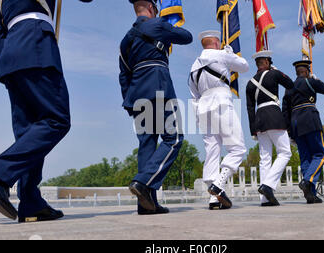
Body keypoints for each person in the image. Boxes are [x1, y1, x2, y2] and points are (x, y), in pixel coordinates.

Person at [0, 0, 93, 223]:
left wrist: (6, 63)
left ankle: (31, 202)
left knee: (28, 133)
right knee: (57, 120)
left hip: (10, 55)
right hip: (36, 42)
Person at [120, 0, 192, 215]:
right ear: (152, 8)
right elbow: (186, 37)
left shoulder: (126, 39)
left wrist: (128, 101)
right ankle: (143, 182)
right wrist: (168, 26)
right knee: (174, 138)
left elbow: (123, 74)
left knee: (147, 144)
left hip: (137, 93)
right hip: (159, 86)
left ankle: (146, 204)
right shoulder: (157, 25)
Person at [189, 31, 249, 210]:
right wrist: (230, 54)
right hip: (221, 102)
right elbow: (244, 66)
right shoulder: (221, 54)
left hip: (202, 109)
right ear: (216, 43)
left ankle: (214, 198)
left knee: (212, 151)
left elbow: (194, 94)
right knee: (237, 148)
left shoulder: (193, 66)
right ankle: (219, 184)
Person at [245, 51, 294, 207]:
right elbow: (290, 84)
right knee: (285, 152)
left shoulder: (250, 83)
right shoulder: (274, 74)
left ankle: (265, 199)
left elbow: (249, 108)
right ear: (267, 62)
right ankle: (268, 186)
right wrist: (276, 71)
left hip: (259, 119)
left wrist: (252, 129)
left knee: (265, 158)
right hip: (273, 115)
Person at [282, 60, 324, 204]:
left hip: (296, 124)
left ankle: (311, 194)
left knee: (306, 159)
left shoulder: (289, 87)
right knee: (320, 154)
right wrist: (316, 80)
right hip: (310, 120)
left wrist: (289, 130)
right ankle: (308, 180)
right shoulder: (310, 81)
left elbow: (285, 110)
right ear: (307, 71)